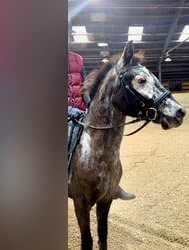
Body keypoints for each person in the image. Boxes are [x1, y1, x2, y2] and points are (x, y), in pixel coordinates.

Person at [68, 19, 135, 200]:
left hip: (80, 110)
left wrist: (88, 103)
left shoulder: (78, 59)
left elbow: (83, 86)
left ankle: (112, 184)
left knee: (106, 141)